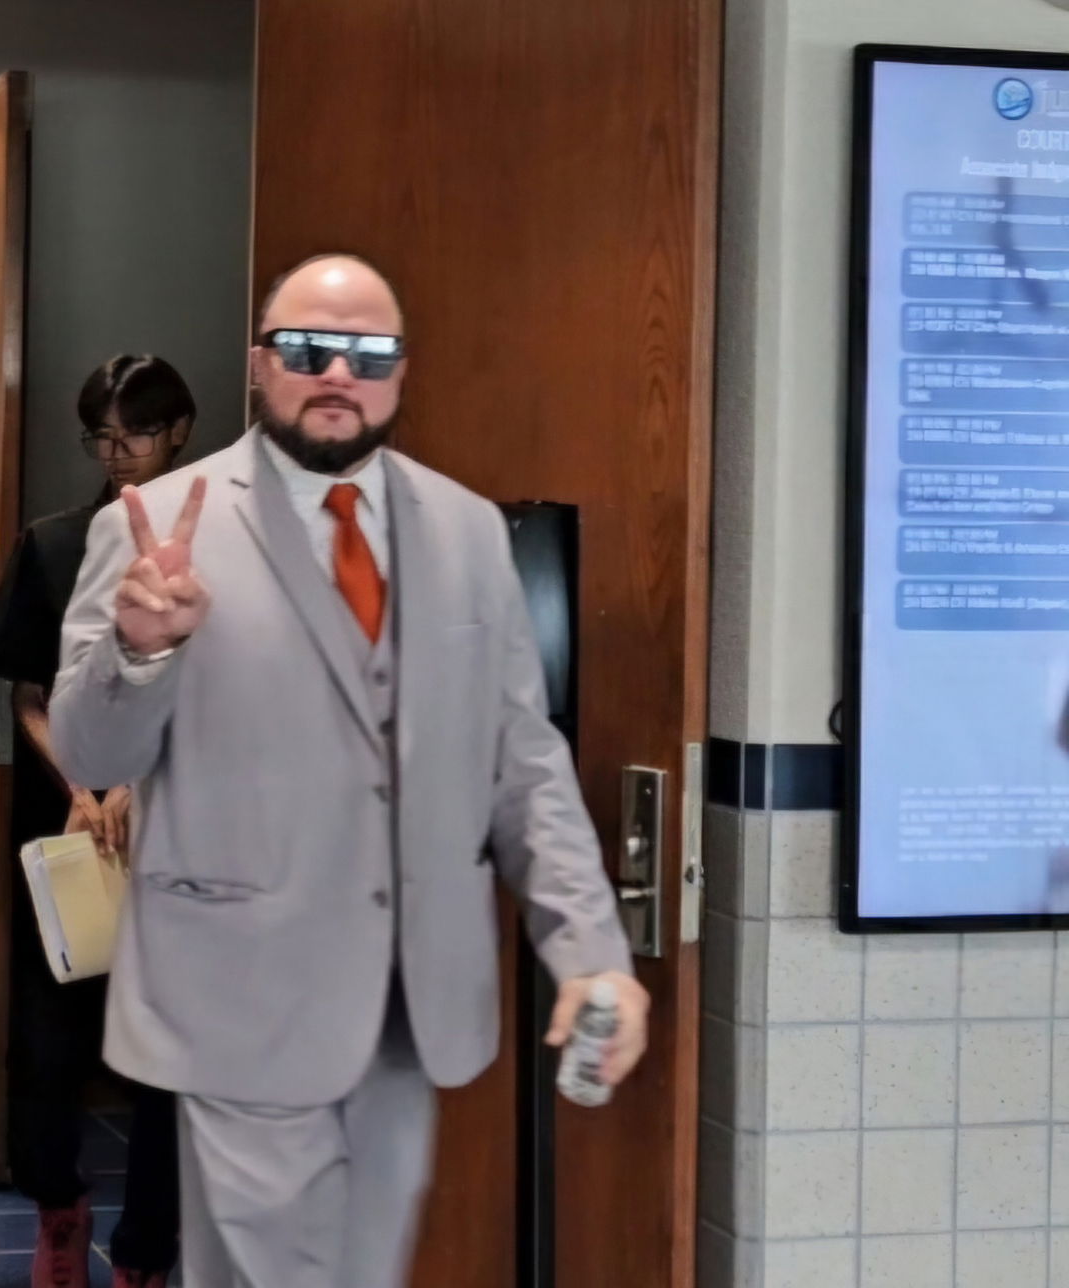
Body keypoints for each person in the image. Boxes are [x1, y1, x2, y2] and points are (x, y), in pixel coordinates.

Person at [49, 255, 649, 1288]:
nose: (336, 369)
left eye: (366, 351)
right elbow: (97, 754)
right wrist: (142, 651)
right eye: (304, 347)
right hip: (236, 988)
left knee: (357, 1266)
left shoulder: (464, 528)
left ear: (401, 370)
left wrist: (589, 946)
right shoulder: (155, 525)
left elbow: (522, 758)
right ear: (257, 362)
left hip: (410, 999)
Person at [0, 355, 196, 1288]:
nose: (117, 456)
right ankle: (59, 1213)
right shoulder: (56, 540)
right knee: (48, 1042)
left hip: (172, 829)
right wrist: (83, 778)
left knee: (166, 1057)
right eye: (100, 438)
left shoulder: (214, 536)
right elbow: (29, 687)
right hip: (70, 827)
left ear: (179, 432)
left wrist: (132, 782)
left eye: (135, 436)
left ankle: (146, 1249)